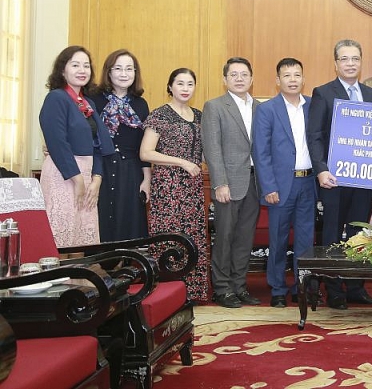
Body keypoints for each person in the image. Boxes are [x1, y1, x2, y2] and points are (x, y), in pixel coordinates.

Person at [308, 39, 372, 309]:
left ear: (361, 61)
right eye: (344, 59)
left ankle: (355, 287)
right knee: (331, 234)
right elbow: (315, 136)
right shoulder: (323, 93)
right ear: (336, 63)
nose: (350, 63)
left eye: (354, 58)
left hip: (364, 179)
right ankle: (334, 290)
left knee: (359, 233)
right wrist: (321, 170)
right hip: (334, 179)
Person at [140, 68, 210, 302]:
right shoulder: (159, 115)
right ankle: (166, 293)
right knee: (170, 235)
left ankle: (192, 291)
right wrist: (182, 162)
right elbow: (146, 152)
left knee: (193, 234)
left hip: (192, 187)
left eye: (190, 84)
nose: (185, 88)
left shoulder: (200, 116)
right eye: (180, 83)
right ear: (170, 86)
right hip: (168, 185)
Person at [253, 58, 316, 308]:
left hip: (308, 183)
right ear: (278, 80)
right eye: (287, 76)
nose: (292, 80)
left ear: (303, 79)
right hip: (279, 186)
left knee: (305, 241)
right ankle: (278, 288)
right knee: (278, 239)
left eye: (297, 75)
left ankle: (301, 287)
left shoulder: (313, 106)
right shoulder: (267, 109)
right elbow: (261, 152)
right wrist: (268, 186)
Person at [39, 46, 114, 247]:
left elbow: (97, 146)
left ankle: (79, 279)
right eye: (75, 65)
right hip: (63, 173)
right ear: (62, 70)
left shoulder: (88, 103)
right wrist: (77, 178)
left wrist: (96, 179)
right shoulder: (56, 98)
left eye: (86, 66)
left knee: (82, 240)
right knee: (61, 238)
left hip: (87, 176)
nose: (82, 70)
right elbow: (57, 142)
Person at [202, 58, 262, 309]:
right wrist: (219, 183)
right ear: (225, 79)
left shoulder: (260, 107)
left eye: (244, 74)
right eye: (234, 74)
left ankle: (239, 286)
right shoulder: (215, 106)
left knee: (245, 238)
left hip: (255, 183)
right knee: (225, 237)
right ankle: (223, 289)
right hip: (228, 183)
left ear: (251, 79)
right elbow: (212, 148)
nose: (239, 78)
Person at [88, 49, 151, 242]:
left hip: (131, 171)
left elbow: (144, 145)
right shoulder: (93, 99)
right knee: (101, 220)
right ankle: (101, 269)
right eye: (118, 68)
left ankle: (127, 269)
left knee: (129, 223)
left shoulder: (141, 104)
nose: (124, 74)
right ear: (109, 72)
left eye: (129, 69)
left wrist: (146, 180)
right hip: (100, 168)